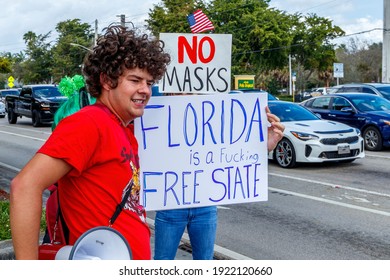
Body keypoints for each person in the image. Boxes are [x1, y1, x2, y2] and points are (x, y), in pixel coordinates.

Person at [9, 24, 170, 260]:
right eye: (135, 80)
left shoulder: (122, 127)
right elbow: (24, 187)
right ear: (106, 80)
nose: (145, 90)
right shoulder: (89, 123)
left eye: (149, 82)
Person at [153, 105, 285, 260]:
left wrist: (263, 147)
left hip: (205, 205)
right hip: (170, 204)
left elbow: (233, 152)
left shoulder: (216, 117)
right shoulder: (159, 117)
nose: (186, 94)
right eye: (180, 91)